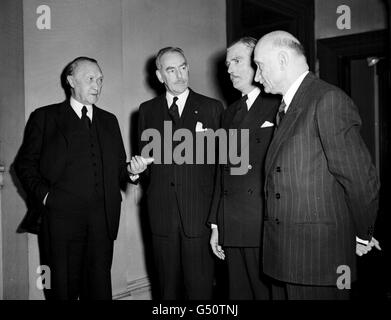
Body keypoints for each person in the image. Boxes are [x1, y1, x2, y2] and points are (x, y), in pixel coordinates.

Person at [253, 31, 380, 299]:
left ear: (283, 59)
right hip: (285, 257)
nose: (256, 76)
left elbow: (360, 179)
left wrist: (361, 234)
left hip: (318, 261)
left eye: (260, 66)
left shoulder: (327, 100)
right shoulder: (290, 105)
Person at [15, 56, 152, 300]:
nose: (97, 86)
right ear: (71, 81)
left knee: (99, 291)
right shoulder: (45, 118)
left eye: (100, 80)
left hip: (102, 224)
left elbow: (120, 169)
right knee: (62, 291)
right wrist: (46, 196)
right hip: (60, 223)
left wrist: (133, 171)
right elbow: (24, 165)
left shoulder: (109, 121)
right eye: (90, 79)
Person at [138, 47, 224, 299]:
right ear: (159, 76)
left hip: (199, 216)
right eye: (171, 70)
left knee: (200, 291)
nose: (179, 75)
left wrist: (217, 218)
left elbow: (222, 167)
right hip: (161, 216)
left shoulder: (212, 108)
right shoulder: (147, 111)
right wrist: (135, 172)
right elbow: (147, 167)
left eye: (183, 67)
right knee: (166, 291)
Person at [208, 37, 279, 299]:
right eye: (228, 64)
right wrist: (216, 225)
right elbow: (222, 172)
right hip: (233, 223)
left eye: (237, 61)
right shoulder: (229, 114)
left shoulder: (278, 104)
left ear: (257, 63)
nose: (229, 69)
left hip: (265, 224)